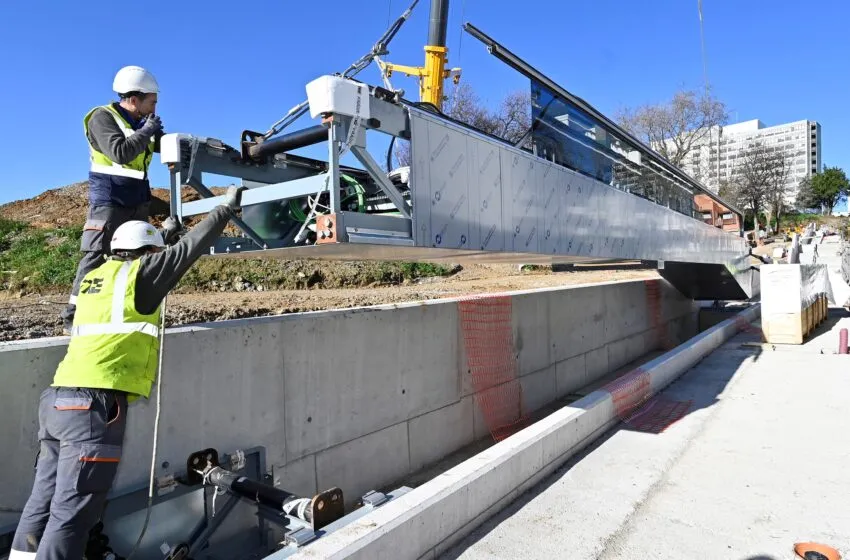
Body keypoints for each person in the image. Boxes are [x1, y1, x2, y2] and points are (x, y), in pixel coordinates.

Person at [10, 187, 244, 560]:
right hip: (93, 408)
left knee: (43, 501)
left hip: (56, 401)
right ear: (149, 254)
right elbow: (186, 252)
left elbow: (154, 261)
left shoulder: (96, 276)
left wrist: (163, 235)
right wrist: (224, 209)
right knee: (72, 515)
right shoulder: (143, 276)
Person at [60, 66, 165, 332]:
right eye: (151, 102)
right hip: (109, 198)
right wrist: (148, 130)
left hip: (137, 201)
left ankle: (126, 310)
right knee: (97, 257)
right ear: (134, 99)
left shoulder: (142, 124)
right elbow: (119, 152)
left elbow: (161, 148)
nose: (154, 108)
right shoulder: (102, 118)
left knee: (138, 256)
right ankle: (73, 317)